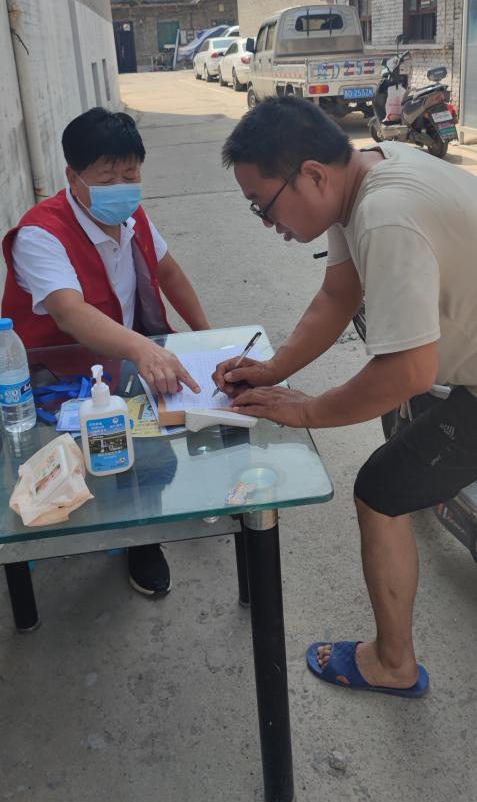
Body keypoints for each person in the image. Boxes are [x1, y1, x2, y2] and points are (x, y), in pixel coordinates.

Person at [213, 94, 477, 698]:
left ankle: (393, 664)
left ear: (312, 175)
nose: (266, 222)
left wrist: (305, 409)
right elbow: (338, 295)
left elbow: (407, 371)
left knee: (379, 491)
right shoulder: (366, 173)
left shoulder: (384, 215)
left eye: (263, 205)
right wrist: (272, 369)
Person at [2, 107, 210, 597]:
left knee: (149, 456)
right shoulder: (40, 234)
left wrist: (208, 337)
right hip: (53, 378)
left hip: (120, 361)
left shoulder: (132, 216)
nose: (123, 187)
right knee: (65, 469)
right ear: (73, 177)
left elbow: (169, 272)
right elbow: (69, 313)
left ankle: (142, 541)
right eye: (108, 177)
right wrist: (142, 350)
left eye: (131, 175)